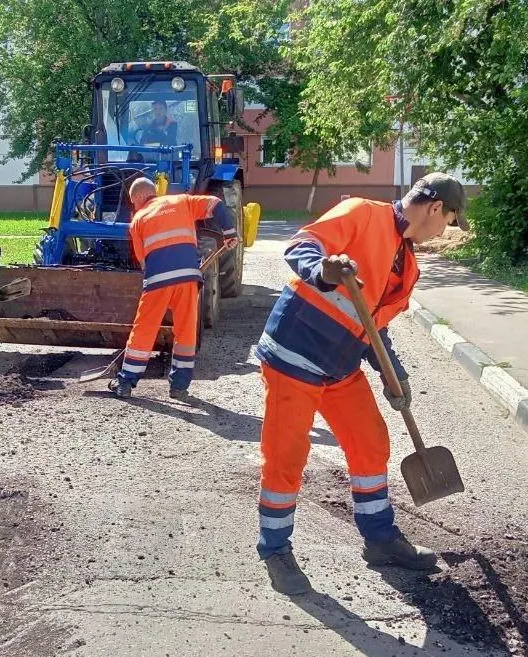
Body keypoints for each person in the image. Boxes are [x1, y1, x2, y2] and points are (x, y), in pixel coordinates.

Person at [254, 172, 467, 595]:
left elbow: (374, 327)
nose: (444, 230)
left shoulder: (406, 265)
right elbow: (301, 246)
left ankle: (379, 538)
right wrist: (324, 270)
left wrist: (396, 375)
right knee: (287, 453)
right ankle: (275, 549)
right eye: (449, 221)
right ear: (435, 207)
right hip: (295, 355)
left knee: (371, 440)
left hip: (339, 366)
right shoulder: (361, 214)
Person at [110, 177, 237, 399]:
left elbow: (143, 262)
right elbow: (216, 204)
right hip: (188, 277)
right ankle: (179, 387)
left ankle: (126, 383)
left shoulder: (138, 219)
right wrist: (228, 232)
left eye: (133, 202)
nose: (134, 206)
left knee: (144, 329)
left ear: (139, 197)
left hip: (158, 280)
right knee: (185, 331)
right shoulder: (182, 201)